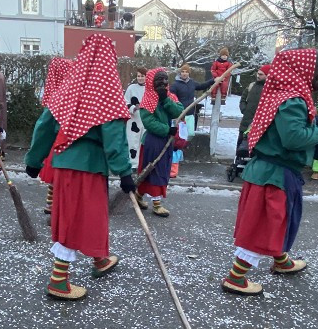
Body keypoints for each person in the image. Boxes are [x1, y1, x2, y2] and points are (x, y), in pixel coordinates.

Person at [24, 33, 134, 300]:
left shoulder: (69, 88)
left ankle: (99, 259)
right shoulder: (107, 91)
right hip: (88, 167)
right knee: (78, 219)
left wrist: (33, 160)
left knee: (87, 216)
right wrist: (125, 172)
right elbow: (114, 138)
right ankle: (58, 281)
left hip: (64, 164)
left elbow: (45, 125)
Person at [222, 48, 318, 296]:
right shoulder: (292, 100)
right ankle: (236, 277)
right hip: (274, 176)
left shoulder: (284, 95)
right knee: (264, 225)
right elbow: (294, 139)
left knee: (280, 220)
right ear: (302, 69)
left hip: (272, 170)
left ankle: (281, 260)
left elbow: (283, 138)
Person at [136, 68, 184, 216]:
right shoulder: (148, 99)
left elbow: (178, 111)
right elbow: (148, 121)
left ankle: (139, 196)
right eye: (159, 81)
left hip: (166, 141)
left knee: (163, 170)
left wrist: (165, 99)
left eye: (165, 80)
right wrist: (166, 129)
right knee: (152, 171)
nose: (163, 84)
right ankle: (156, 204)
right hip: (153, 142)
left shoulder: (170, 96)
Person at [40, 57, 74, 213]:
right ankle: (55, 203)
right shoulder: (66, 96)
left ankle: (50, 202)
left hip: (54, 143)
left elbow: (43, 127)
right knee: (61, 175)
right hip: (63, 141)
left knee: (54, 175)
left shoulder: (52, 94)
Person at [170, 64, 215, 131]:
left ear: (189, 73)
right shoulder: (175, 85)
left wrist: (213, 81)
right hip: (180, 114)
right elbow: (172, 100)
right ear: (180, 73)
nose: (184, 74)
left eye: (186, 72)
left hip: (190, 114)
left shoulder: (192, 83)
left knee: (190, 134)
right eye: (183, 71)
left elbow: (201, 86)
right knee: (178, 135)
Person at [239, 64, 270, 137]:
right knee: (241, 146)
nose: (258, 76)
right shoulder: (251, 85)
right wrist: (243, 108)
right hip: (245, 123)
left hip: (259, 126)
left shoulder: (269, 89)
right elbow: (243, 98)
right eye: (258, 73)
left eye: (261, 74)